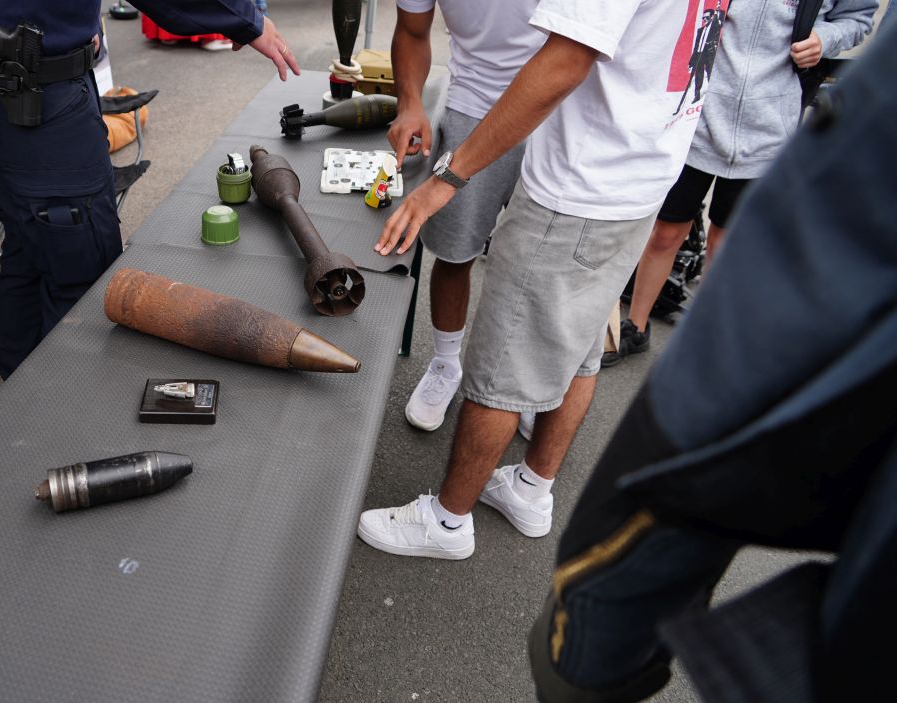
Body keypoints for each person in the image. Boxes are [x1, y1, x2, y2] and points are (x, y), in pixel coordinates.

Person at [529, 23, 896, 701]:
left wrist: (599, 620)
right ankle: (637, 323)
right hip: (704, 125)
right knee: (672, 236)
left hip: (763, 131)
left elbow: (828, 244)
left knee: (731, 245)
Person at [359, 0, 728, 558]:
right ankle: (531, 489)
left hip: (579, 186)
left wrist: (446, 179)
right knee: (581, 343)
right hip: (642, 173)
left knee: (500, 365)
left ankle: (447, 523)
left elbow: (563, 62)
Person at [0, 1, 300, 379]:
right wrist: (248, 21)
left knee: (28, 242)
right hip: (28, 94)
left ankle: (15, 388)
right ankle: (58, 398)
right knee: (82, 276)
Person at [607, 0, 876, 365]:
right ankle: (636, 327)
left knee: (725, 243)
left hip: (769, 125)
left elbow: (857, 18)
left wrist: (824, 38)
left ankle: (699, 340)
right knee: (665, 233)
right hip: (699, 113)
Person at [388, 0, 545, 433]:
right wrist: (410, 103)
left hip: (555, 112)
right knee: (455, 253)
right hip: (471, 106)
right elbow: (412, 31)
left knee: (539, 264)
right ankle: (445, 364)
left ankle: (526, 380)